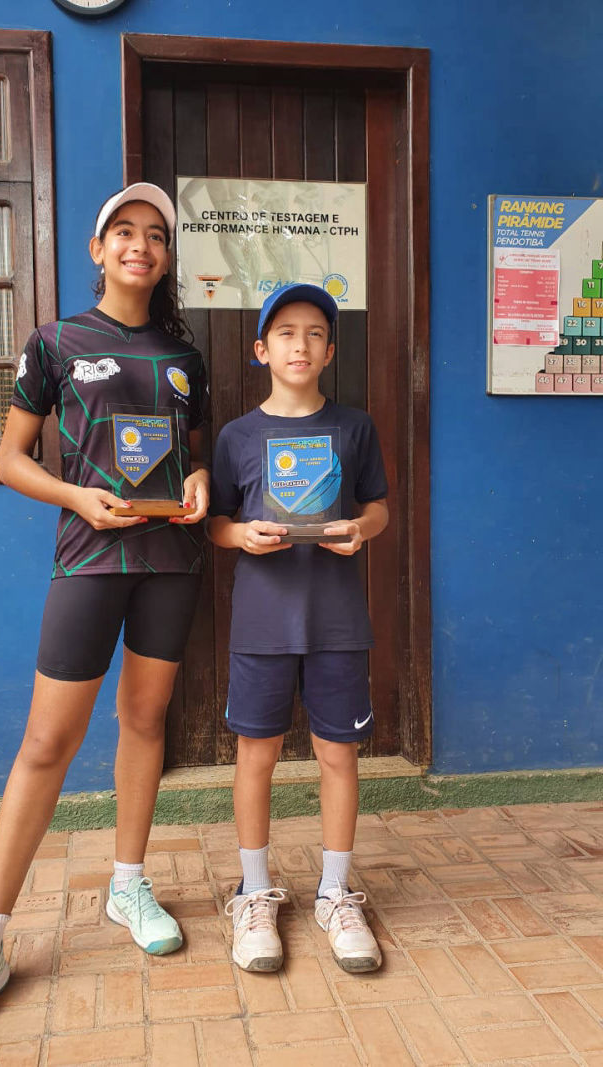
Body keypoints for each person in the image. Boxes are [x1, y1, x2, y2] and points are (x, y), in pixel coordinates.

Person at [0, 183, 210, 1053]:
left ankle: (128, 883)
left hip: (170, 564)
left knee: (146, 719)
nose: (140, 245)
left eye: (155, 235)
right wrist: (78, 496)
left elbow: (190, 459)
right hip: (88, 561)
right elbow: (10, 460)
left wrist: (199, 482)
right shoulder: (54, 343)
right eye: (124, 231)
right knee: (47, 742)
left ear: (167, 256)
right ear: (98, 249)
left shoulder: (184, 355)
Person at [207, 282, 388, 975]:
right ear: (261, 349)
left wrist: (360, 530)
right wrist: (239, 536)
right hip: (261, 623)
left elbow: (378, 507)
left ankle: (336, 893)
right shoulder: (237, 436)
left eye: (315, 333)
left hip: (338, 620)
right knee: (255, 755)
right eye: (286, 332)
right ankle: (254, 893)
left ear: (330, 351)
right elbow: (218, 522)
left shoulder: (354, 427)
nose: (301, 344)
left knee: (338, 756)